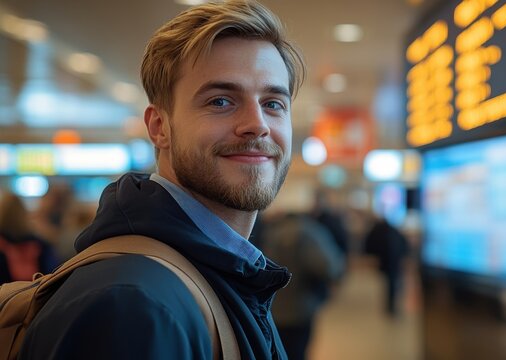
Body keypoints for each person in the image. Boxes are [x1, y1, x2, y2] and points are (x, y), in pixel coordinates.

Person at [19, 1, 305, 359]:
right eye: (220, 101)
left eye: (273, 103)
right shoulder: (132, 305)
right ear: (159, 128)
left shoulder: (224, 274)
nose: (257, 124)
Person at [261, 212, 344, 360]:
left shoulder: (270, 233)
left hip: (272, 310)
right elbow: (328, 267)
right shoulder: (309, 232)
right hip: (301, 308)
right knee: (298, 353)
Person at [0, 191, 59, 284]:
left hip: (6, 295)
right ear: (23, 213)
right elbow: (53, 271)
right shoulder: (39, 243)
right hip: (35, 293)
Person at [364, 215, 410, 317]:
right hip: (394, 259)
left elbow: (369, 244)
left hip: (389, 259)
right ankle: (392, 306)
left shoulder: (378, 230)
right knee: (393, 283)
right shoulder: (393, 230)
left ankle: (391, 306)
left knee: (391, 283)